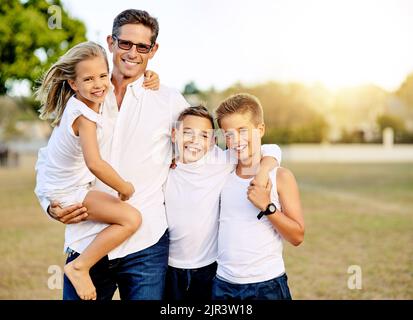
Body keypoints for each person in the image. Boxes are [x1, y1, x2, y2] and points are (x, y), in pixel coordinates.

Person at [35, 9, 189, 300]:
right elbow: (50, 158)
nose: (132, 53)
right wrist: (49, 205)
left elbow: (202, 152)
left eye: (142, 47)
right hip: (86, 239)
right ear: (111, 42)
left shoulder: (169, 100)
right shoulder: (84, 96)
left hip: (145, 245)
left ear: (153, 50)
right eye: (125, 43)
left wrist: (268, 156)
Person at [35, 41, 147, 300]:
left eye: (102, 76)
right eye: (88, 79)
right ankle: (80, 266)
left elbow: (126, 80)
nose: (98, 84)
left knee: (129, 219)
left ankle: (81, 265)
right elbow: (94, 163)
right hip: (67, 192)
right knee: (131, 219)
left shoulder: (84, 100)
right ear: (73, 84)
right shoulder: (83, 116)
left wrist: (150, 75)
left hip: (62, 185)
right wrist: (123, 187)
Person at [164, 105, 282, 300]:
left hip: (209, 267)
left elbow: (270, 148)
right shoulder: (164, 167)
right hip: (169, 266)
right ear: (175, 134)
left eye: (204, 136)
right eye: (187, 133)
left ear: (212, 142)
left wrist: (262, 172)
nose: (195, 141)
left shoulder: (220, 161)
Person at [212, 93, 305, 300]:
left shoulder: (280, 176)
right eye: (228, 134)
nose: (235, 141)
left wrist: (267, 206)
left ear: (260, 129)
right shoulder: (221, 172)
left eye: (242, 131)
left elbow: (297, 236)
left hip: (267, 285)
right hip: (223, 285)